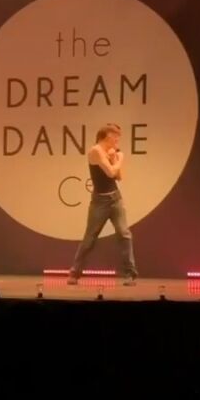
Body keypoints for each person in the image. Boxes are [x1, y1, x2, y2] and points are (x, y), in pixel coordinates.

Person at [67, 122, 137, 286]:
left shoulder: (110, 152)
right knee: (90, 237)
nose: (117, 141)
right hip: (100, 201)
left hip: (115, 199)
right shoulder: (96, 151)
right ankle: (75, 272)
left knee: (124, 233)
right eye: (116, 137)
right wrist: (120, 158)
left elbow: (119, 177)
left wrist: (114, 158)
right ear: (109, 136)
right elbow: (111, 172)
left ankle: (130, 274)